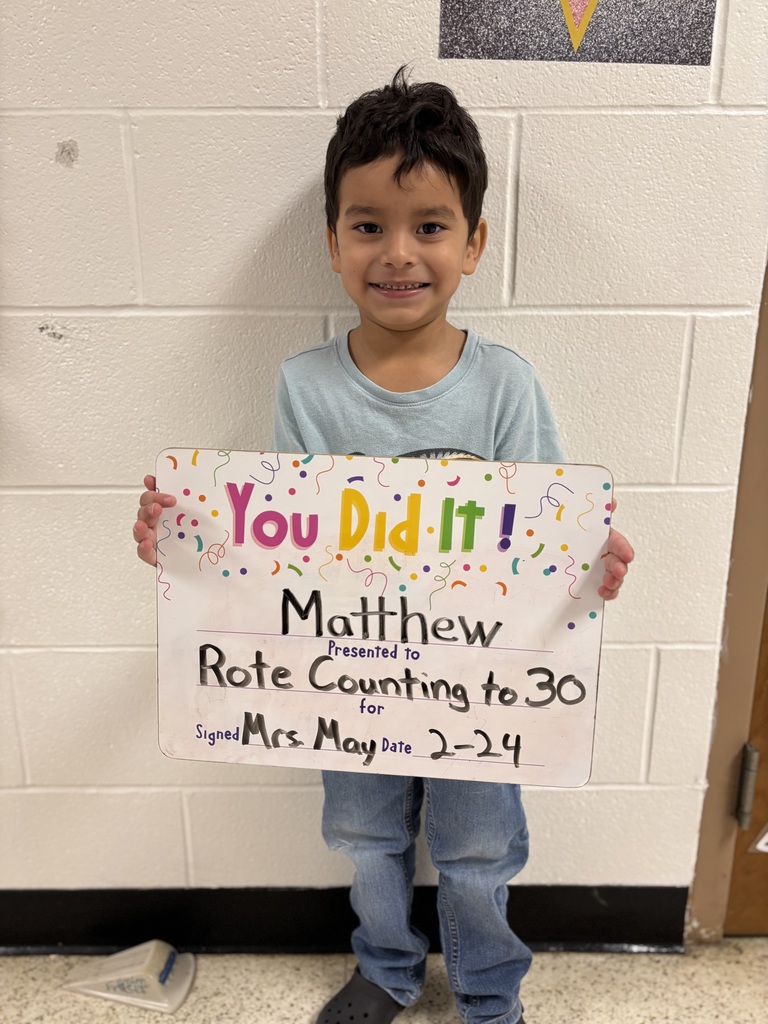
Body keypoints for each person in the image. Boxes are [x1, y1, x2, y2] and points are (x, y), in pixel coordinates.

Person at [134, 68, 634, 1024]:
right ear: (332, 242)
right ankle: (387, 967)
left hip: (481, 681)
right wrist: (189, 545)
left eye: (430, 226)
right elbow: (277, 544)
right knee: (364, 832)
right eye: (368, 225)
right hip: (347, 673)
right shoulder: (306, 387)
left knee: (484, 847)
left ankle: (489, 986)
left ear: (474, 243)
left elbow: (548, 532)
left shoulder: (504, 389)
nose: (397, 253)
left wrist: (589, 561)